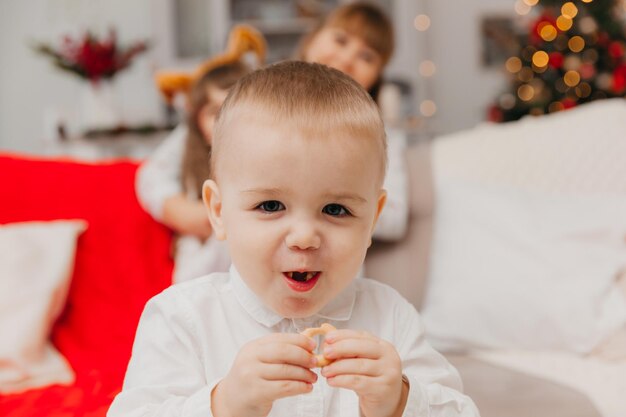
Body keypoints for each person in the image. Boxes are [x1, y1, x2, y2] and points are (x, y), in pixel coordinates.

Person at [108, 61, 479, 417]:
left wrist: (400, 401)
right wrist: (223, 404)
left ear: (372, 220)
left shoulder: (391, 317)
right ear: (218, 211)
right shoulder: (183, 318)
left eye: (336, 209)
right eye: (271, 205)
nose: (304, 238)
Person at [136, 25, 265, 282]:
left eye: (238, 109)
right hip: (205, 260)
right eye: (216, 113)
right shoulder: (189, 147)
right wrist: (185, 213)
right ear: (197, 122)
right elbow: (150, 176)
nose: (227, 123)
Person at [296, 1, 409, 241]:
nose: (347, 59)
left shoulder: (382, 138)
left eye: (366, 57)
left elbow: (395, 218)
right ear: (313, 37)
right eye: (341, 40)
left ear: (377, 77)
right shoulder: (259, 106)